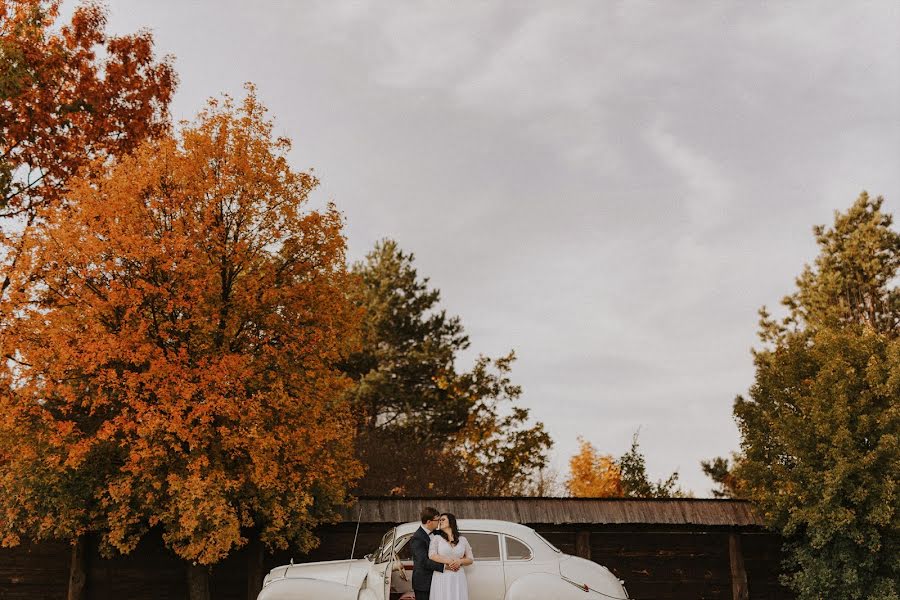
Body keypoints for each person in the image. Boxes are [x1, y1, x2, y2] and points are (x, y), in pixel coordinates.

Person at [410, 506, 458, 600]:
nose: (439, 522)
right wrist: (445, 567)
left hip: (439, 580)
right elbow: (423, 561)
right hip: (424, 583)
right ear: (429, 522)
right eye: (437, 520)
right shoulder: (417, 538)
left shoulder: (438, 533)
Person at [428, 513, 474, 600]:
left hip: (458, 576)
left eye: (443, 519)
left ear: (451, 521)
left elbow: (470, 559)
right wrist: (450, 562)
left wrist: (459, 561)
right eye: (439, 520)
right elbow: (432, 555)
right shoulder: (436, 538)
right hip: (442, 576)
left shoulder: (463, 539)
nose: (440, 522)